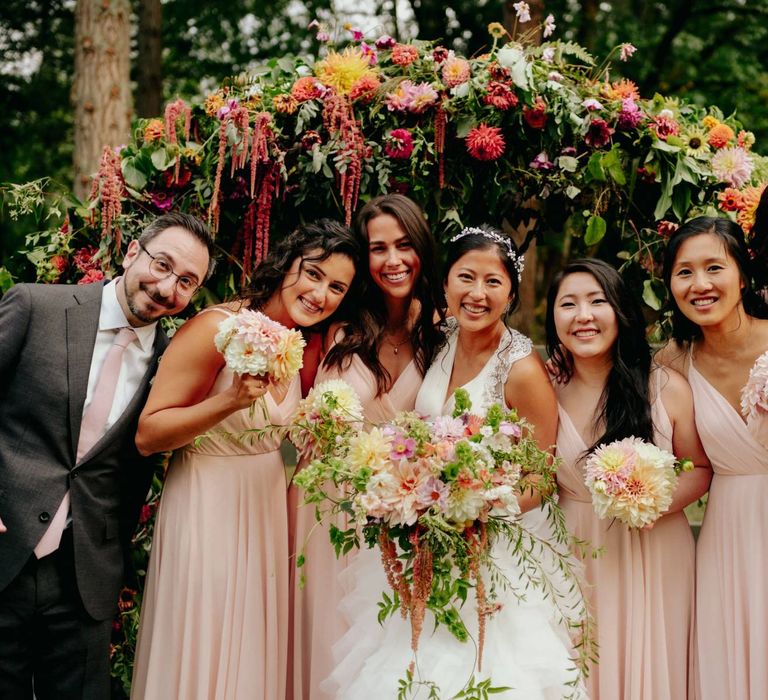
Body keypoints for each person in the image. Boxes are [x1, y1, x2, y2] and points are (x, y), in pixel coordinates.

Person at [324, 225, 587, 699]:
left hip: (491, 549)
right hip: (423, 544)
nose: (477, 294)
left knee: (481, 672)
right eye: (466, 277)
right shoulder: (439, 340)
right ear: (445, 284)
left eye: (493, 282)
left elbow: (540, 477)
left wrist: (478, 510)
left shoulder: (521, 370)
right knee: (409, 666)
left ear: (511, 293)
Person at [130, 219, 359, 700]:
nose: (321, 293)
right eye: (313, 274)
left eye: (337, 287)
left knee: (251, 660)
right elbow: (149, 435)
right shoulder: (216, 327)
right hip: (206, 507)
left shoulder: (300, 345)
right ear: (286, 264)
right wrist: (228, 401)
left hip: (265, 513)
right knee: (205, 643)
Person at [0, 211, 215, 700]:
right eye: (161, 265)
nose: (166, 288)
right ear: (131, 252)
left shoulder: (171, 364)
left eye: (186, 282)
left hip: (83, 582)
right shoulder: (37, 305)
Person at [288, 194, 444, 699]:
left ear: (422, 247)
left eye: (404, 245)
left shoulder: (449, 329)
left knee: (396, 650)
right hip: (328, 510)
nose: (393, 260)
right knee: (328, 641)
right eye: (378, 248)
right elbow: (289, 408)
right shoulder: (334, 325)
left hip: (409, 518)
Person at [547, 258, 711, 700]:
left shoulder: (665, 386)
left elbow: (698, 467)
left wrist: (647, 497)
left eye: (597, 301)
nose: (583, 316)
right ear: (553, 319)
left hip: (656, 545)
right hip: (576, 546)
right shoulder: (544, 388)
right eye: (568, 304)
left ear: (620, 310)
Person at [657, 217, 768, 700]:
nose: (699, 285)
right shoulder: (671, 362)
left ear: (741, 274)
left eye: (713, 268)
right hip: (730, 535)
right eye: (684, 273)